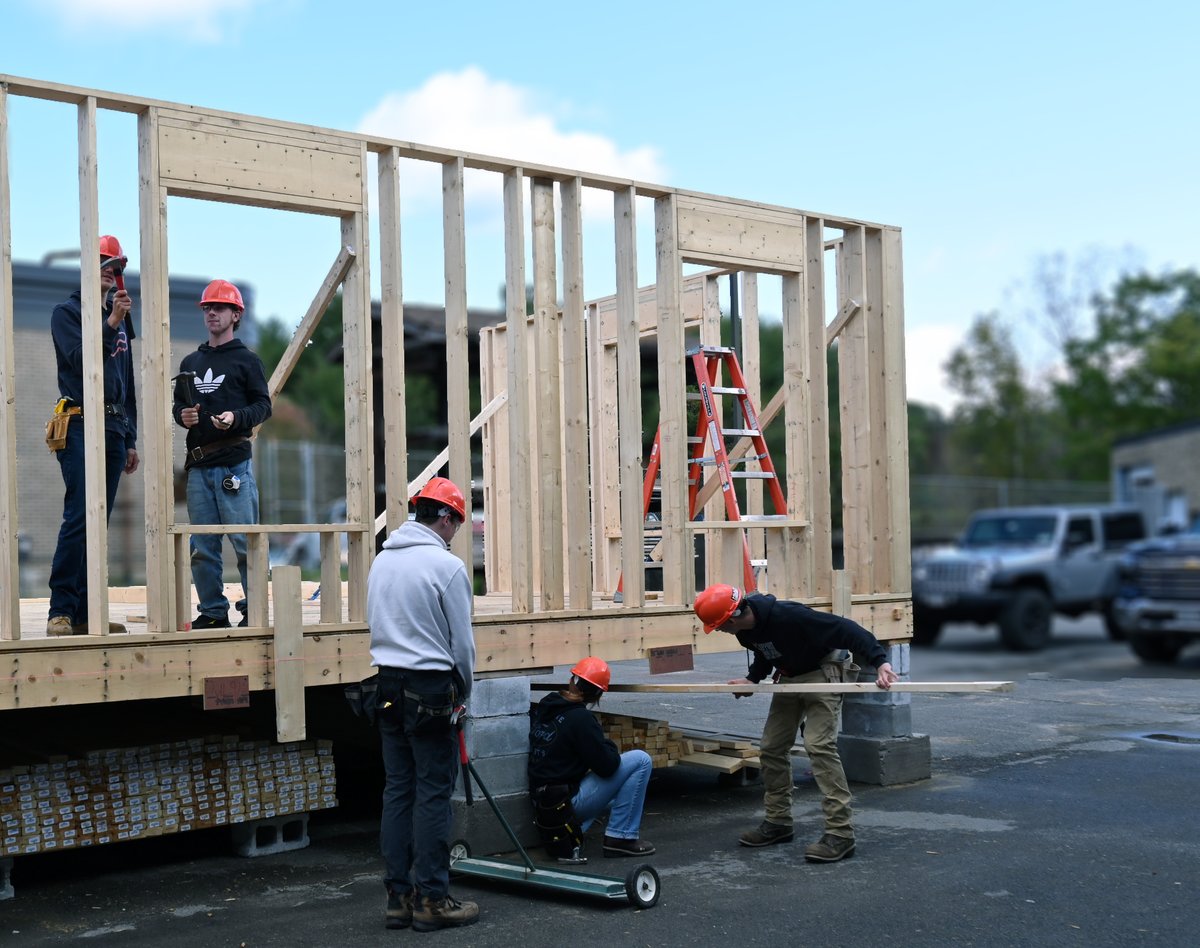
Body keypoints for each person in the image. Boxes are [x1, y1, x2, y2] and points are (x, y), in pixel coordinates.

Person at [693, 583, 900, 863]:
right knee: (771, 747)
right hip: (790, 676)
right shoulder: (745, 630)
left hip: (823, 670)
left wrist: (880, 662)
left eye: (719, 626)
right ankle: (778, 823)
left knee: (818, 745)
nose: (718, 631)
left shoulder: (790, 616)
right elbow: (765, 652)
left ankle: (840, 834)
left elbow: (848, 630)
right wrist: (752, 679)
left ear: (733, 617)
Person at [366, 477, 479, 933]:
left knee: (398, 790)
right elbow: (462, 646)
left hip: (387, 686)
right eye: (457, 523)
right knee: (433, 794)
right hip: (431, 689)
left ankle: (399, 898)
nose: (456, 533)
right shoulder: (445, 567)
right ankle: (432, 899)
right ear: (447, 518)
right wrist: (464, 693)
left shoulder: (382, 561)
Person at [46, 235, 140, 636]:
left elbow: (127, 379)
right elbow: (81, 361)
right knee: (80, 515)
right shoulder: (66, 313)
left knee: (97, 522)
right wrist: (111, 322)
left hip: (114, 427)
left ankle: (85, 613)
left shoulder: (119, 320)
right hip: (82, 422)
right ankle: (61, 610)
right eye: (102, 261)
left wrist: (131, 435)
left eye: (115, 264)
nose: (109, 269)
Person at [172, 280, 271, 629]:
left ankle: (254, 610)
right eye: (207, 308)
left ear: (236, 314)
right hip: (199, 467)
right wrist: (182, 416)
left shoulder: (247, 361)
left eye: (219, 307)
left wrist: (236, 417)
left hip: (233, 467)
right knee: (202, 547)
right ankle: (213, 612)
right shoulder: (191, 361)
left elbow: (263, 405)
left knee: (245, 543)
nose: (211, 313)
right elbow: (180, 407)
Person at [528, 657, 655, 858]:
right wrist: (608, 744)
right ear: (598, 695)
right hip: (565, 804)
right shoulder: (582, 719)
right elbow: (608, 766)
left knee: (620, 793)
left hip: (543, 804)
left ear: (572, 680)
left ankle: (578, 829)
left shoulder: (547, 706)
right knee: (641, 760)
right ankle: (621, 837)